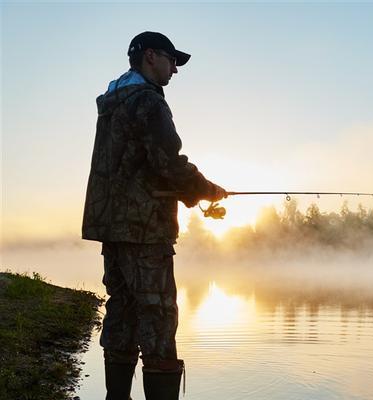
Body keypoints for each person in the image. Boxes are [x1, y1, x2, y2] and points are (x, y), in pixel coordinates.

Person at [82, 31, 226, 400]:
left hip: (112, 226)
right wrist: (206, 189)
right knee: (159, 318)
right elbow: (167, 162)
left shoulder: (113, 102)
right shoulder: (147, 101)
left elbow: (135, 166)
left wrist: (192, 191)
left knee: (122, 311)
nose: (175, 69)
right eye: (171, 60)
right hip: (145, 228)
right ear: (150, 56)